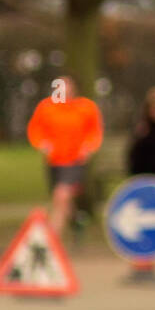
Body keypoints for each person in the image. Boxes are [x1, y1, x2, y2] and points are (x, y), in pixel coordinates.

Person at [26, 76, 104, 236]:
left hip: (75, 161)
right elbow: (35, 129)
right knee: (62, 199)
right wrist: (42, 144)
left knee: (61, 195)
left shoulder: (86, 107)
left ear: (74, 88)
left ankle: (53, 238)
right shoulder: (46, 107)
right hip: (54, 161)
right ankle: (77, 220)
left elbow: (94, 132)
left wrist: (88, 147)